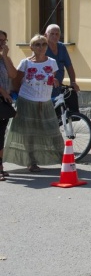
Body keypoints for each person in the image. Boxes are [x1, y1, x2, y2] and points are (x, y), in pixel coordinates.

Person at [3, 34, 64, 172]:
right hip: (27, 101)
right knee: (29, 134)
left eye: (43, 44)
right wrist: (22, 96)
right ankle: (31, 162)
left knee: (52, 130)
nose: (41, 47)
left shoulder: (52, 62)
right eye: (37, 44)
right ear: (31, 47)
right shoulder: (25, 63)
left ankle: (64, 160)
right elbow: (16, 82)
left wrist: (55, 81)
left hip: (45, 101)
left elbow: (52, 79)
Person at [1, 30, 18, 180]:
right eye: (0, 40)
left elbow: (13, 75)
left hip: (4, 101)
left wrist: (5, 57)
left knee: (1, 133)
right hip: (3, 98)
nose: (3, 44)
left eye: (4, 41)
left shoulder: (5, 59)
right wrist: (4, 93)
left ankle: (0, 166)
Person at [44, 24, 80, 96]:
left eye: (57, 34)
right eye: (52, 34)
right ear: (45, 35)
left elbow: (69, 66)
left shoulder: (62, 47)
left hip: (58, 86)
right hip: (45, 86)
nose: (55, 36)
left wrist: (73, 82)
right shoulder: (42, 47)